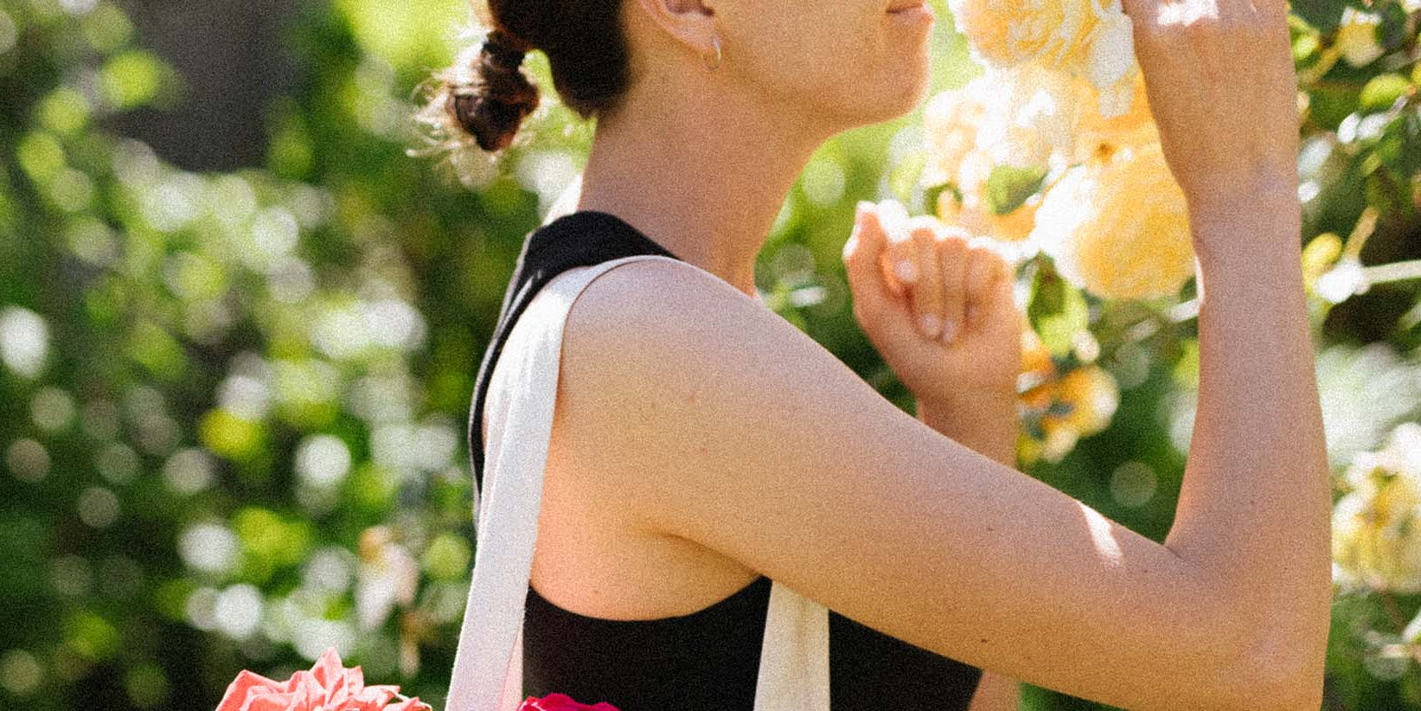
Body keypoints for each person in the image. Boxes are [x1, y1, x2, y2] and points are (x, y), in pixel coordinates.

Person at [416, 0, 1331, 707]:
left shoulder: (651, 296)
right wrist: (1241, 188)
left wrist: (969, 414)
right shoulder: (647, 336)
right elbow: (1252, 663)